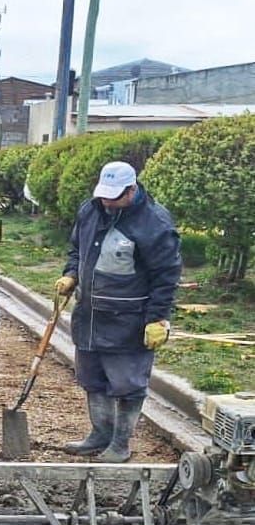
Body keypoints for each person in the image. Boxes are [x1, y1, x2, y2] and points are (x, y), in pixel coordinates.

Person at [57, 161, 181, 463]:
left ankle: (121, 444)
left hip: (128, 321)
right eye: (104, 195)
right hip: (89, 316)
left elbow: (166, 275)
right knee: (92, 379)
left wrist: (157, 318)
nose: (108, 202)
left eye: (114, 196)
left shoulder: (154, 223)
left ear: (132, 189)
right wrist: (71, 274)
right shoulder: (90, 211)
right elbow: (77, 250)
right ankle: (100, 434)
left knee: (127, 385)